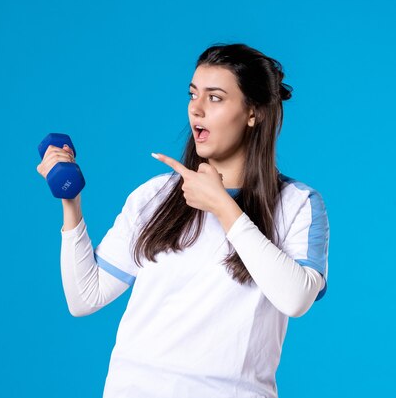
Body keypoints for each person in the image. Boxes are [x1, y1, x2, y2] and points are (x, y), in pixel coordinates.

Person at [36, 43, 329, 398]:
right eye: (193, 94)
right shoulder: (155, 196)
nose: (197, 108)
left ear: (253, 112)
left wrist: (224, 207)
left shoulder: (297, 204)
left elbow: (296, 299)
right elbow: (85, 296)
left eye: (215, 98)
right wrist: (71, 202)